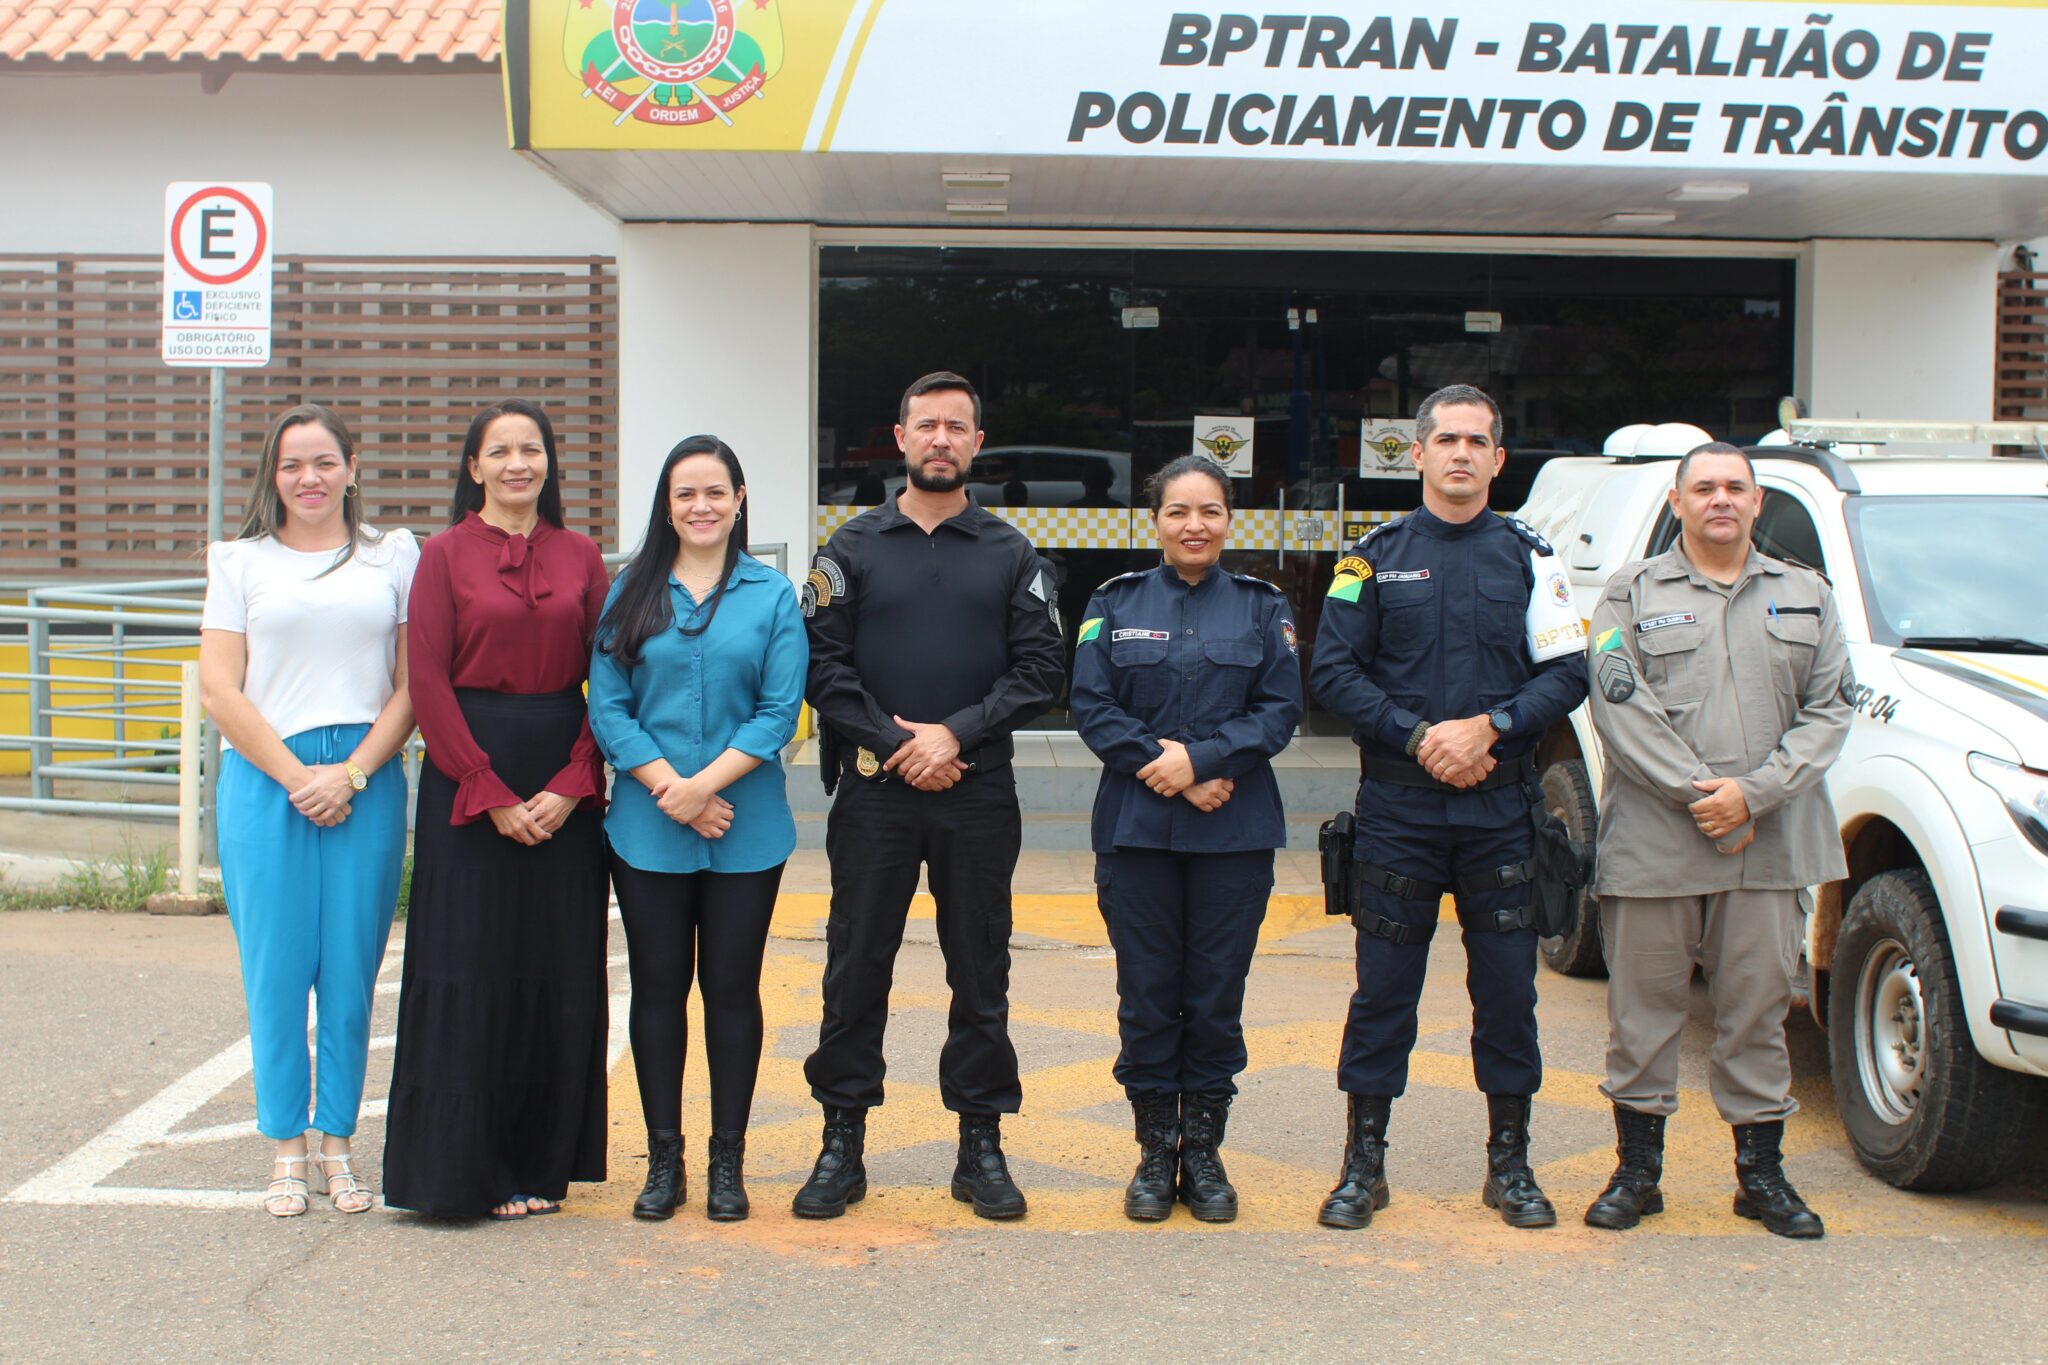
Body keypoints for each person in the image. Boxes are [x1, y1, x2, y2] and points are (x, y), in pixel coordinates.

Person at [1307, 383, 1589, 1231]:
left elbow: (1568, 671)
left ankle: (1510, 1165)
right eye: (1446, 439)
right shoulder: (1372, 557)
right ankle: (1364, 1165)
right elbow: (1330, 673)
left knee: (1507, 993)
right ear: (1419, 454)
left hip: (1501, 809)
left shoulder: (1532, 556)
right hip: (1399, 811)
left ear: (1500, 459)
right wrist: (1423, 735)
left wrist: (1491, 729)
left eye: (1479, 440)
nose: (1461, 452)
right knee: (1382, 990)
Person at [794, 370, 1065, 1221]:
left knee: (980, 969)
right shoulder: (851, 548)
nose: (941, 438)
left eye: (957, 426)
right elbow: (821, 668)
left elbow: (1042, 670)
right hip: (876, 792)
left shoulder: (1013, 554)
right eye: (926, 425)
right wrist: (898, 741)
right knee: (854, 966)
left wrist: (955, 734)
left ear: (978, 443)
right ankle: (842, 1142)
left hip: (976, 793)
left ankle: (980, 1144)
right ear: (900, 438)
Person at [1583, 441, 1851, 1240]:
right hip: (1657, 842)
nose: (1721, 500)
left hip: (1767, 846)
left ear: (1758, 502)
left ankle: (1760, 1177)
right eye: (1704, 488)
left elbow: (1832, 709)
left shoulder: (1808, 595)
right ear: (1677, 501)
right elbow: (1616, 704)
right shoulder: (1627, 594)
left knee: (1757, 1012)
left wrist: (1754, 794)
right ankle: (1638, 1173)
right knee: (1643, 1014)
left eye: (1736, 487)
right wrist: (1704, 795)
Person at [382, 399, 611, 1221]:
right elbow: (429, 682)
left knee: (554, 972)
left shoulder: (582, 555)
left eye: (532, 449)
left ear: (550, 462)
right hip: (466, 778)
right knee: (467, 970)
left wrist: (573, 778)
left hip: (563, 778)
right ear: (473, 467)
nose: (518, 463)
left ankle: (537, 1165)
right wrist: (486, 787)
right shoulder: (440, 556)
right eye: (499, 451)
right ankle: (458, 1172)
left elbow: (611, 680)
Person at [1069, 454, 1302, 1223]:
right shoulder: (1114, 599)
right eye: (1178, 511)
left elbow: (1279, 710)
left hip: (1232, 833)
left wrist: (1201, 761)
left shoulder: (1264, 607)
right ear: (1155, 520)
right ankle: (1150, 1151)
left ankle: (1201, 1152)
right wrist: (1167, 769)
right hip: (1137, 832)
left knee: (1212, 997)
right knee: (1146, 994)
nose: (1194, 525)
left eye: (1209, 511)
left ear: (1229, 519)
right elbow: (1092, 706)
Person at [200, 404, 417, 1217]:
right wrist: (300, 777)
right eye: (293, 465)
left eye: (325, 461)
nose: (310, 478)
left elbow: (412, 683)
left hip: (365, 774)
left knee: (353, 969)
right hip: (266, 776)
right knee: (277, 969)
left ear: (352, 466)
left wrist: (353, 774)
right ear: (274, 475)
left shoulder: (391, 556)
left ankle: (337, 1145)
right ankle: (285, 1146)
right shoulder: (238, 560)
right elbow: (221, 687)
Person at [588, 436, 806, 1223]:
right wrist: (668, 789)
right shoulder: (630, 592)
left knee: (730, 989)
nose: (702, 506)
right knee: (658, 987)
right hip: (646, 826)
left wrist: (700, 789)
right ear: (667, 504)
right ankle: (664, 1158)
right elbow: (608, 704)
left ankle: (727, 1162)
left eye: (716, 492)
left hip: (746, 827)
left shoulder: (772, 595)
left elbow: (778, 712)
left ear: (740, 498)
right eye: (686, 494)